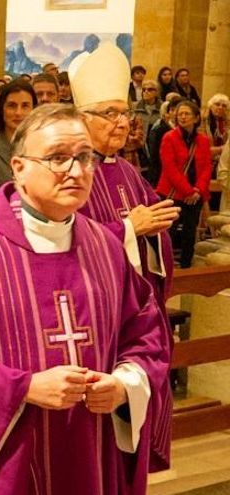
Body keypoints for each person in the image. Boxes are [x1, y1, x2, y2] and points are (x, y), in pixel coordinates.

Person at [0, 103, 171, 495]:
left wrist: (125, 385)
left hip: (92, 454)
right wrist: (22, 388)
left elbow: (146, 336)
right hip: (9, 463)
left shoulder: (106, 249)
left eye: (84, 157)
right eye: (58, 158)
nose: (75, 171)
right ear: (18, 167)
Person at [70, 44, 177, 471]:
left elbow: (154, 236)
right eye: (110, 113)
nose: (122, 123)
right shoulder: (72, 171)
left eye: (124, 113)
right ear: (82, 119)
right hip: (95, 321)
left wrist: (151, 231)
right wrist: (131, 228)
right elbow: (69, 243)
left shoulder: (129, 171)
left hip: (134, 319)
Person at [156, 99, 212, 268]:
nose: (183, 117)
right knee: (168, 232)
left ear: (196, 118)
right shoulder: (169, 138)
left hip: (195, 194)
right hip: (173, 192)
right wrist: (188, 191)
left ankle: (186, 265)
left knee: (189, 231)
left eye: (187, 114)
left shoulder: (203, 140)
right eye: (180, 114)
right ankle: (164, 265)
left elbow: (207, 167)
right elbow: (170, 168)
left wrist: (198, 190)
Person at [145, 96, 182, 187]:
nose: (175, 113)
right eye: (172, 110)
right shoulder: (159, 130)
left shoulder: (185, 131)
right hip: (160, 176)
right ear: (168, 113)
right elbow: (155, 157)